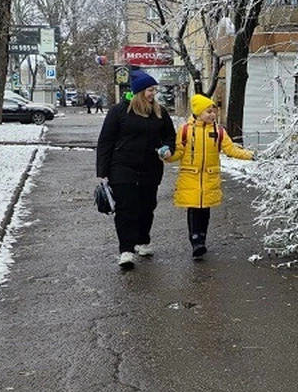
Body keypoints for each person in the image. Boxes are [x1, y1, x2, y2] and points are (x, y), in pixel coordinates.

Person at [96, 70, 176, 269]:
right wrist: (103, 170)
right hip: (122, 167)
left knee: (147, 207)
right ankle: (126, 250)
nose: (153, 94)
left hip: (150, 167)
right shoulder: (119, 111)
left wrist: (168, 148)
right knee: (126, 209)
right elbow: (105, 141)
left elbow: (169, 136)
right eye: (150, 90)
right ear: (140, 91)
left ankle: (142, 241)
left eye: (154, 90)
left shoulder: (159, 112)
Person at [166, 94, 254, 259]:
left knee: (205, 210)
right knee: (193, 209)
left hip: (209, 177)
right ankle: (195, 240)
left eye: (213, 112)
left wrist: (249, 155)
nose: (212, 115)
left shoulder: (218, 131)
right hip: (190, 177)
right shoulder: (185, 130)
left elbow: (230, 149)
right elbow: (178, 152)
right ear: (198, 112)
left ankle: (202, 238)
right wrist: (166, 156)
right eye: (208, 112)